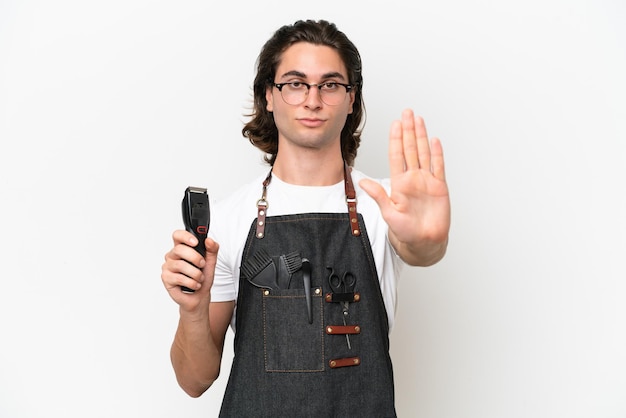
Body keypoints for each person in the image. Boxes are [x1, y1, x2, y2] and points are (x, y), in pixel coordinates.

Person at [161, 19, 450, 417]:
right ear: (268, 95)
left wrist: (427, 239)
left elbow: (420, 247)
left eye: (330, 84)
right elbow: (194, 380)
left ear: (351, 99)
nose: (312, 99)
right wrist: (192, 309)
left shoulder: (384, 207)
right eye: (295, 83)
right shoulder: (229, 219)